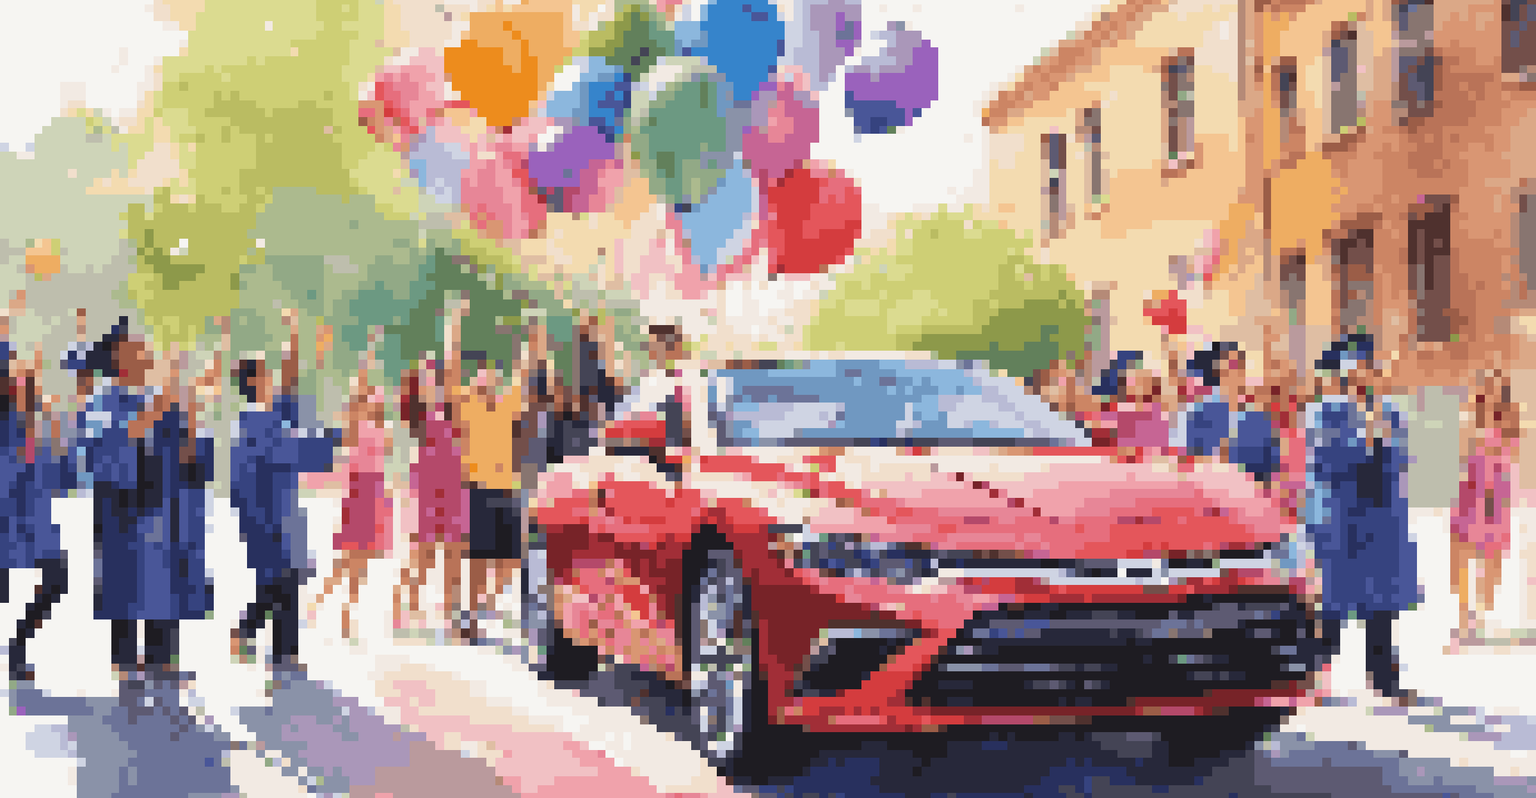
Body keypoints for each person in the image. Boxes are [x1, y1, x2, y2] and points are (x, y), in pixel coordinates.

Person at [1305, 344, 1420, 704]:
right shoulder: (1323, 412)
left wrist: (1380, 435)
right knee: (1332, 609)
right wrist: (1365, 438)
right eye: (1355, 370)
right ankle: (1313, 681)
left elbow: (1402, 456)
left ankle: (1385, 680)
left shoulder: (1390, 411)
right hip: (1342, 518)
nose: (1363, 376)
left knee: (1381, 608)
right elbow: (1326, 461)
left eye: (1369, 369)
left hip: (1381, 520)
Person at [229, 309, 341, 675]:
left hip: (277, 508)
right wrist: (337, 437)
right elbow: (290, 452)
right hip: (265, 513)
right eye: (266, 373)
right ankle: (274, 646)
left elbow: (290, 384)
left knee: (283, 578)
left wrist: (295, 338)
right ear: (254, 382)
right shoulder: (253, 420)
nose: (274, 378)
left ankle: (262, 640)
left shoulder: (269, 412)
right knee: (283, 577)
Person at [80, 316, 184, 687]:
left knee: (161, 579)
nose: (146, 351)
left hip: (157, 499)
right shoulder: (102, 400)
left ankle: (159, 658)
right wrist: (161, 402)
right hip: (120, 506)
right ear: (120, 358)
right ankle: (125, 660)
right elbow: (118, 439)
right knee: (123, 581)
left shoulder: (150, 397)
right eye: (137, 346)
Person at [396, 295, 471, 635]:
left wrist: (453, 324)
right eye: (428, 375)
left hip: (453, 484)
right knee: (424, 554)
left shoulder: (452, 410)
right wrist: (451, 325)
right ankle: (404, 608)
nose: (435, 376)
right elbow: (448, 361)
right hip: (428, 482)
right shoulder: (422, 421)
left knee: (453, 552)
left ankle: (452, 616)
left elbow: (452, 361)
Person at [314, 331, 393, 643]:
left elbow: (385, 463)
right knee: (348, 557)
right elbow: (360, 387)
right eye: (370, 396)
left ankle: (347, 612)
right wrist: (370, 350)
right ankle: (321, 603)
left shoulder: (382, 428)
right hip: (359, 490)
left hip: (375, 491)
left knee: (364, 559)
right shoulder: (355, 424)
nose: (375, 398)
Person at [1450, 369, 1520, 646]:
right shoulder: (1472, 425)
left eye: (1492, 387)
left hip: (1493, 499)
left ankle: (1482, 613)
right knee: (1462, 556)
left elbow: (1507, 465)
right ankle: (1466, 616)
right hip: (1471, 495)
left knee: (1490, 558)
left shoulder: (1507, 428)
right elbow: (1463, 464)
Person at [461, 355, 524, 644]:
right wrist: (455, 327)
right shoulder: (469, 407)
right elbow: (451, 371)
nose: (487, 384)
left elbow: (526, 371)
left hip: (508, 491)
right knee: (477, 561)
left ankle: (481, 608)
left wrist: (532, 339)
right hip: (478, 491)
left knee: (510, 562)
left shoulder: (507, 406)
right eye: (481, 381)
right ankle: (469, 615)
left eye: (493, 381)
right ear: (474, 386)